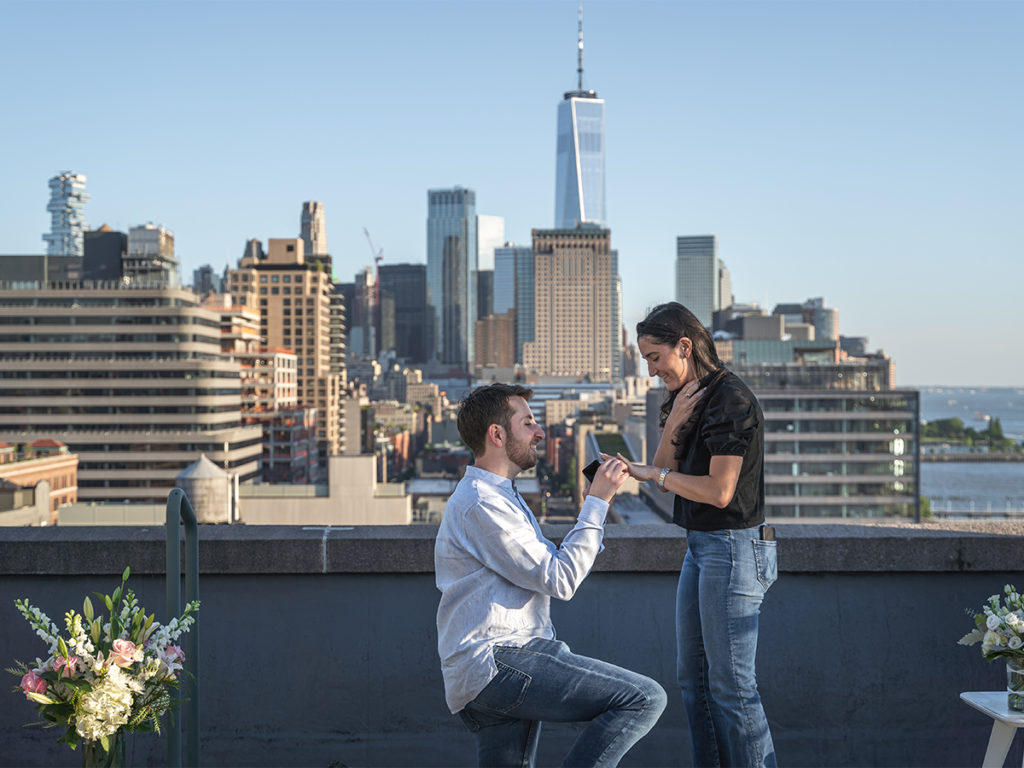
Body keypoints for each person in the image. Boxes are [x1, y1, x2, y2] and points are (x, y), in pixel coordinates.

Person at [435, 383, 667, 768]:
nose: (540, 432)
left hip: (485, 668)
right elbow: (560, 578)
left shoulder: (499, 495)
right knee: (643, 698)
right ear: (497, 435)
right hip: (500, 661)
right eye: (527, 423)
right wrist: (597, 503)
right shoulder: (482, 503)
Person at [614, 302, 778, 768]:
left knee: (733, 688)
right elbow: (661, 465)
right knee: (694, 681)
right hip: (701, 547)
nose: (651, 370)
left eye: (655, 357)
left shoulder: (731, 400)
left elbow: (720, 491)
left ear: (684, 346)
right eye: (645, 360)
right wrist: (674, 422)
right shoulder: (692, 397)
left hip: (732, 548)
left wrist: (657, 478)